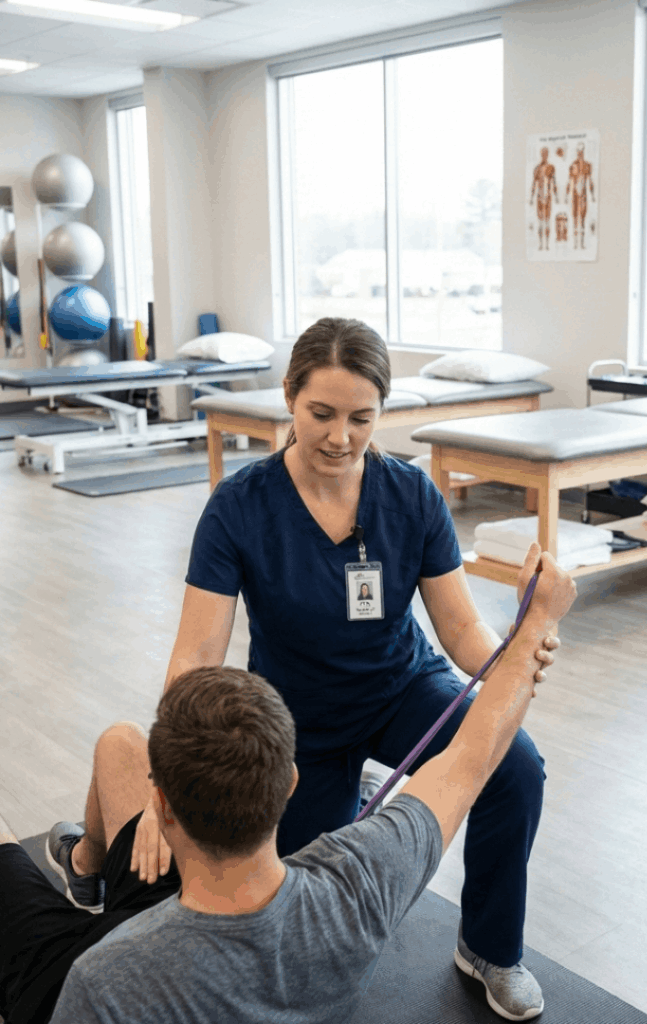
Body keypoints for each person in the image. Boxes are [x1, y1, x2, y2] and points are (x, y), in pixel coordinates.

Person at [137, 316, 559, 1020]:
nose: (340, 437)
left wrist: (518, 649)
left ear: (382, 412)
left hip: (402, 688)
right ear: (290, 398)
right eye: (321, 414)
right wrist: (167, 777)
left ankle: (489, 946)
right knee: (295, 894)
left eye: (361, 418)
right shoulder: (239, 508)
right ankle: (349, 785)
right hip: (293, 717)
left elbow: (458, 626)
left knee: (515, 767)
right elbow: (197, 656)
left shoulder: (411, 494)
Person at [0, 547, 577, 1024]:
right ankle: (85, 862)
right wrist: (539, 622)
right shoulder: (359, 885)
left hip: (98, 953)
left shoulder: (103, 981)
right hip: (167, 894)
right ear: (290, 784)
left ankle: (86, 867)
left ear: (163, 806)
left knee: (111, 752)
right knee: (121, 743)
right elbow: (474, 755)